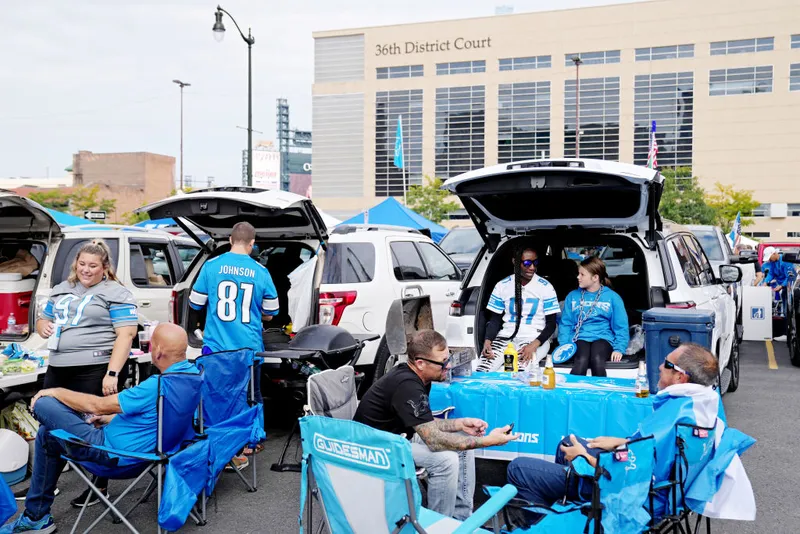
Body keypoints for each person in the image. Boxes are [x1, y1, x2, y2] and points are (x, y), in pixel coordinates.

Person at [1, 324, 197, 534]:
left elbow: (96, 405)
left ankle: (35, 518)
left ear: (157, 351)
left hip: (113, 456)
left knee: (43, 404)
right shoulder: (192, 377)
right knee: (48, 434)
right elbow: (160, 415)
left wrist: (55, 391)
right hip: (155, 455)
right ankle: (35, 517)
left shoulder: (157, 385)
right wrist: (110, 418)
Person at [506, 343, 722, 519]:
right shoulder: (701, 407)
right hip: (658, 491)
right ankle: (567, 514)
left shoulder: (674, 415)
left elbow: (634, 472)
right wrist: (622, 441)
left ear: (680, 377)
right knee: (566, 443)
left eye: (667, 364)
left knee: (519, 468)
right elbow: (655, 452)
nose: (658, 366)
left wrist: (586, 459)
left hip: (631, 496)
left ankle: (544, 519)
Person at [354, 330, 518, 521]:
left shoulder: (420, 377)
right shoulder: (407, 385)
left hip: (396, 437)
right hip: (374, 448)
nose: (448, 366)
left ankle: (461, 519)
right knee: (446, 460)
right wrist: (488, 441)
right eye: (443, 363)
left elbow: (424, 423)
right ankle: (438, 525)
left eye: (449, 359)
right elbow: (434, 440)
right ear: (421, 363)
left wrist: (460, 424)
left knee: (463, 441)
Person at [35, 240, 138, 508]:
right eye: (82, 264)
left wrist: (112, 373)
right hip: (58, 367)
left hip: (95, 368)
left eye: (93, 266)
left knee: (92, 424)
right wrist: (43, 325)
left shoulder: (115, 292)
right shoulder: (62, 289)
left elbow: (126, 334)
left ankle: (98, 485)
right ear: (75, 264)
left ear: (105, 268)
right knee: (51, 426)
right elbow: (42, 319)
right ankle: (46, 486)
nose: (86, 270)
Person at [188, 221, 278, 455]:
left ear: (229, 240)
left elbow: (195, 303)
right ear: (252, 244)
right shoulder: (261, 271)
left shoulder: (211, 265)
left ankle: (218, 435)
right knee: (252, 394)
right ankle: (251, 440)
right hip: (248, 348)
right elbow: (271, 312)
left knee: (217, 393)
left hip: (217, 349)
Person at [478, 247, 559, 372]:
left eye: (535, 263)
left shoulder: (546, 287)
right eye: (527, 263)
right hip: (505, 337)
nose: (532, 267)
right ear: (514, 262)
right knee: (482, 371)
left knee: (518, 373)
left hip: (534, 338)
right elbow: (495, 320)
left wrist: (533, 345)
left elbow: (551, 324)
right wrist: (488, 341)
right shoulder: (502, 286)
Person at [557, 257, 629, 377]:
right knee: (581, 360)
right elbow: (566, 323)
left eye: (582, 274)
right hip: (579, 337)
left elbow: (621, 326)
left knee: (597, 359)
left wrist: (619, 348)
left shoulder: (612, 297)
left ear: (595, 277)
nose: (578, 277)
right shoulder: (572, 296)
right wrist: (564, 344)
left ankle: (599, 394)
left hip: (603, 338)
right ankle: (573, 394)